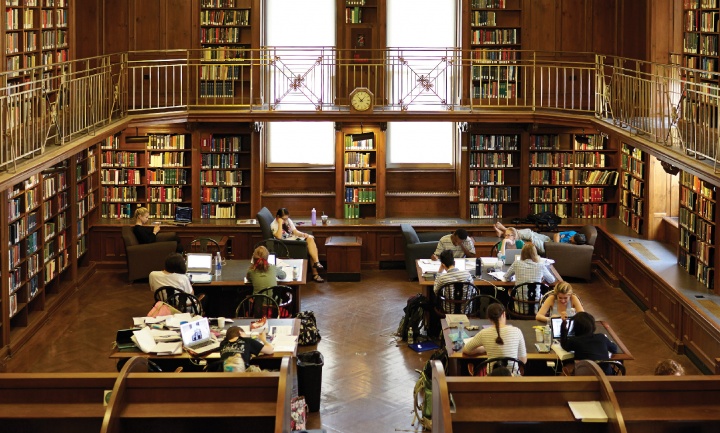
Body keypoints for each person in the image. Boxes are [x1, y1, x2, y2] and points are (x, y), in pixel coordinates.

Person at [462, 303, 527, 375]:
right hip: (513, 380)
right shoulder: (517, 331)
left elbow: (466, 350)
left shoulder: (484, 333)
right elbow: (523, 360)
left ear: (489, 318)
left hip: (491, 378)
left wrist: (482, 349)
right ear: (504, 314)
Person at [271, 208, 324, 283]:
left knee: (310, 239)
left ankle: (316, 262)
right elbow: (279, 237)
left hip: (295, 240)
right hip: (288, 244)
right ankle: (315, 273)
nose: (285, 220)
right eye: (283, 219)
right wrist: (280, 223)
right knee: (310, 248)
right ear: (278, 217)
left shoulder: (288, 221)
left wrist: (303, 234)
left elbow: (295, 231)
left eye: (287, 218)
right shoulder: (274, 225)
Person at [504, 244, 555, 315]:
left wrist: (512, 278)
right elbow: (552, 280)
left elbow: (506, 277)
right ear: (535, 254)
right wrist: (541, 279)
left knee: (508, 292)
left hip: (519, 308)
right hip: (538, 308)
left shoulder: (517, 264)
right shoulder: (541, 265)